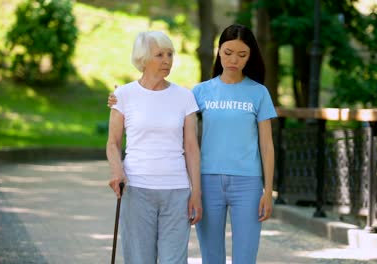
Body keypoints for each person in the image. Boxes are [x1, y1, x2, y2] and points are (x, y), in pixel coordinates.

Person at [108, 24, 276, 264]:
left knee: (246, 258)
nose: (233, 60)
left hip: (247, 183)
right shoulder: (199, 92)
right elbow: (159, 101)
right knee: (211, 257)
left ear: (250, 57)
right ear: (219, 51)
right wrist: (119, 99)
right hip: (208, 181)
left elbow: (267, 146)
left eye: (242, 55)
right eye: (228, 53)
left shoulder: (258, 93)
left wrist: (268, 190)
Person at [106, 30, 202, 264]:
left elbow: (191, 148)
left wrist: (196, 193)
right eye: (159, 54)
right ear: (143, 59)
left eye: (170, 54)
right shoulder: (123, 95)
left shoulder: (185, 97)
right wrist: (117, 170)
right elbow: (113, 143)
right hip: (137, 189)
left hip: (177, 191)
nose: (167, 60)